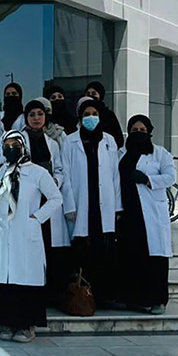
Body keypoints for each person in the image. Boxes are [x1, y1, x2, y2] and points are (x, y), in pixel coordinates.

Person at [0, 131, 63, 343]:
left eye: (15, 144)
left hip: (26, 233)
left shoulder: (37, 172)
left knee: (26, 280)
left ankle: (26, 326)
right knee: (5, 280)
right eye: (7, 145)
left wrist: (37, 218)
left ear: (23, 147)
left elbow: (56, 198)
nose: (10, 148)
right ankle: (8, 323)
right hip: (1, 234)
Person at [61, 97, 122, 304]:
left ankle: (103, 297)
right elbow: (66, 175)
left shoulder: (109, 140)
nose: (91, 118)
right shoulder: (70, 141)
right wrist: (69, 205)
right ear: (80, 117)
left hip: (104, 202)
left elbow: (115, 175)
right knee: (83, 250)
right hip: (81, 202)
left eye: (94, 114)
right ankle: (82, 298)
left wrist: (117, 206)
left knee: (102, 250)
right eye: (86, 115)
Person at [117, 115, 176, 315]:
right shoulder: (121, 153)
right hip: (129, 211)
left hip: (152, 212)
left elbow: (171, 177)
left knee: (155, 258)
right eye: (135, 130)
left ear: (149, 132)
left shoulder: (160, 153)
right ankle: (134, 299)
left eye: (143, 130)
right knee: (132, 255)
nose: (139, 133)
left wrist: (148, 179)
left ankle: (158, 300)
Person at [22, 100, 70, 303]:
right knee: (30, 246)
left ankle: (50, 295)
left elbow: (59, 169)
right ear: (26, 118)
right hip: (29, 196)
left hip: (48, 198)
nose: (36, 118)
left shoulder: (53, 143)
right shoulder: (19, 140)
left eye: (39, 114)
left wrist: (53, 182)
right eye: (32, 114)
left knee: (49, 245)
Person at [85, 81, 124, 148]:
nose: (90, 96)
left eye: (94, 93)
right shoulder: (81, 113)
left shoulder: (108, 115)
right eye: (88, 93)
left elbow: (118, 139)